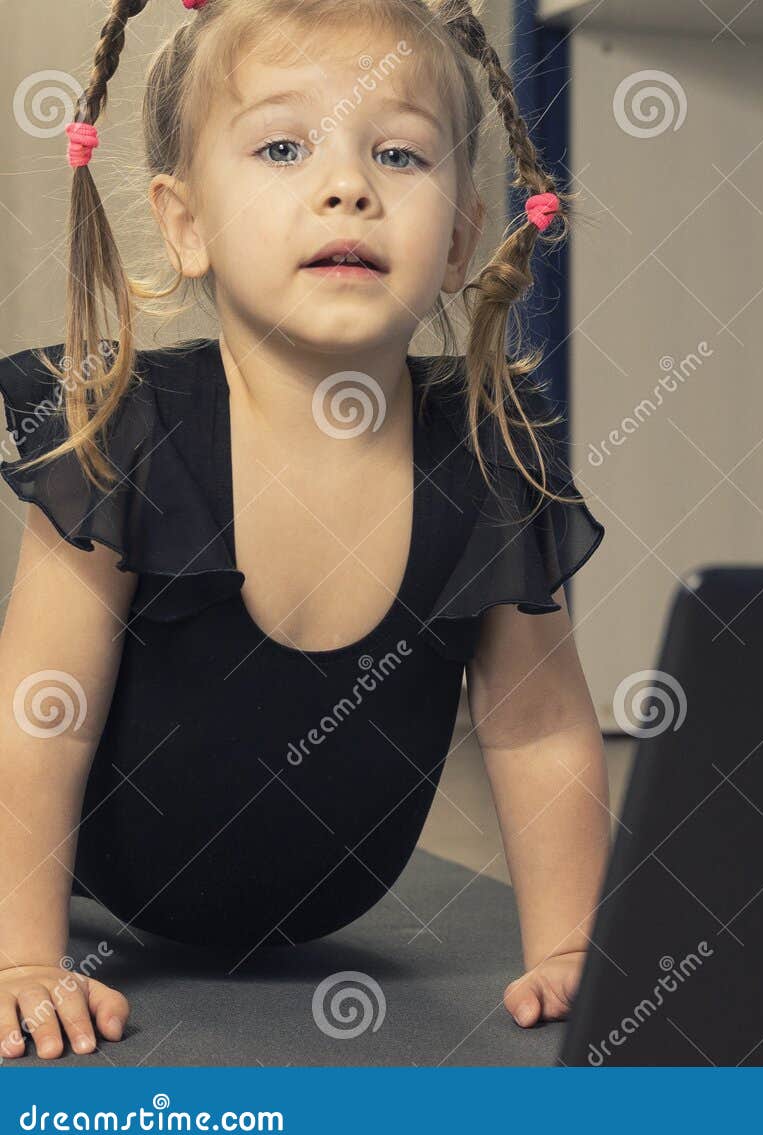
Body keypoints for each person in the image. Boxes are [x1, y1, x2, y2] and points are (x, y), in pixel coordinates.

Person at [0, 0, 610, 1060]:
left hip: (332, 903)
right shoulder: (124, 431)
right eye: (284, 146)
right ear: (185, 223)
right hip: (100, 867)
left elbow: (539, 724)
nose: (348, 185)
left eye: (400, 154)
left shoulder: (489, 453)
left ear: (464, 235)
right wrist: (18, 960)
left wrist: (573, 947)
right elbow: (39, 715)